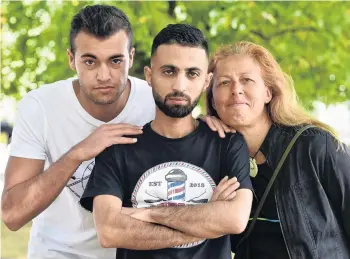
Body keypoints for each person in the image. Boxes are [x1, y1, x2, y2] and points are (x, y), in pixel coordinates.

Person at [79, 24, 253, 259]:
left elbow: (234, 219)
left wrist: (149, 214)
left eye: (192, 73)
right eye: (169, 71)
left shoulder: (227, 143)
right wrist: (207, 218)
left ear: (206, 81)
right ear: (149, 75)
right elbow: (109, 231)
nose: (180, 86)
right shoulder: (117, 147)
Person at [1, 5, 156, 259]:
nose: (104, 75)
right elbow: (13, 215)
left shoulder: (154, 103)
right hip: (57, 252)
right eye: (90, 61)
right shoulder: (40, 106)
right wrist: (78, 153)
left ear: (131, 57)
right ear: (71, 59)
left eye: (115, 61)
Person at [205, 41, 350, 259]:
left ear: (268, 93)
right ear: (213, 101)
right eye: (224, 82)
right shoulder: (212, 161)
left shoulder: (315, 146)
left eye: (247, 80)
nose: (236, 90)